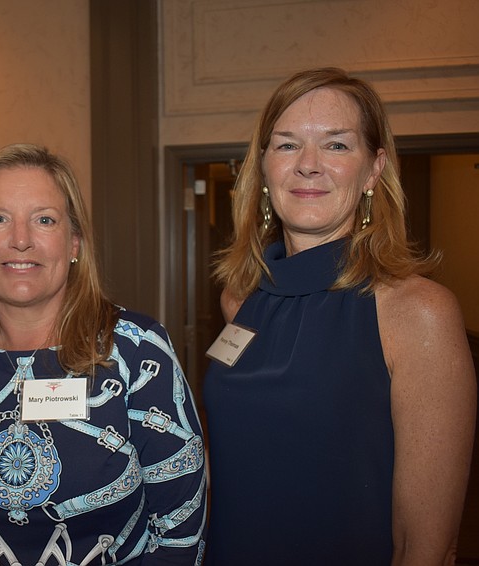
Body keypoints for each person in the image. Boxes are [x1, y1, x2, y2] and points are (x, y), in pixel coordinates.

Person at [203, 67, 476, 565]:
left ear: (374, 169)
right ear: (262, 167)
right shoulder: (239, 300)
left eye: (336, 145)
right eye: (286, 145)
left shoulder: (418, 312)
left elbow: (427, 548)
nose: (308, 165)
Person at [0, 143, 207, 565]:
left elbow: (178, 527)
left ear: (74, 244)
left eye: (44, 220)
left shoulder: (135, 352)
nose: (21, 240)